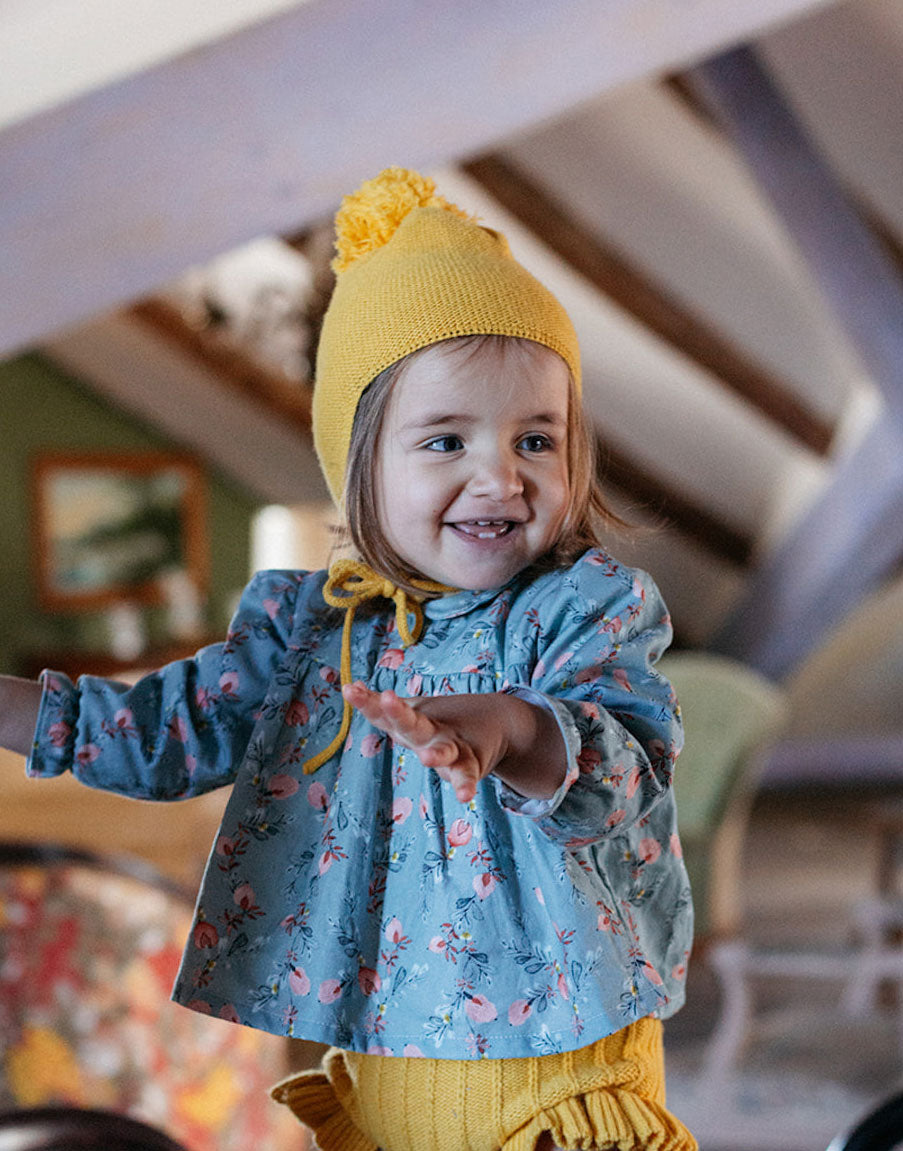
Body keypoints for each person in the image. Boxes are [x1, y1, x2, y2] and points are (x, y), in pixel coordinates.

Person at [0, 169, 695, 1151]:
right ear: (359, 462)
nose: (500, 473)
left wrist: (510, 727)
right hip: (389, 1064)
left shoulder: (580, 612)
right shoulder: (308, 634)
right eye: (446, 438)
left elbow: (622, 770)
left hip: (558, 1065)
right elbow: (157, 734)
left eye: (536, 437)